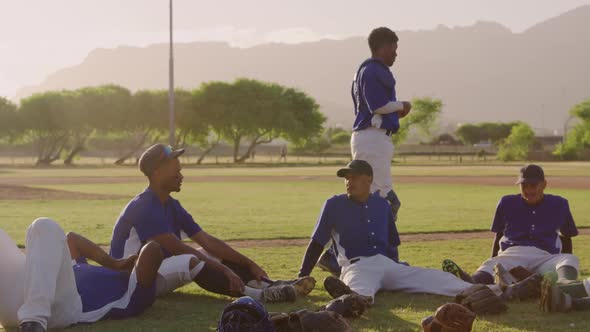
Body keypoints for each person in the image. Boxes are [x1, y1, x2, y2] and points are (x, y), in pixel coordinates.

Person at [298, 160, 538, 310]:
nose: (348, 182)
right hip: (357, 265)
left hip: (388, 264)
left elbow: (392, 242)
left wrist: (397, 265)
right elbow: (317, 242)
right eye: (346, 178)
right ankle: (352, 302)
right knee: (359, 291)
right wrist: (301, 277)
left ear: (368, 179)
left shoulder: (382, 206)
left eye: (352, 177)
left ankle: (507, 291)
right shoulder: (334, 204)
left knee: (438, 279)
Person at [110, 144, 314, 304]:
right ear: (156, 172)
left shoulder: (171, 204)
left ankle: (272, 285)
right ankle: (259, 296)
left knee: (212, 253)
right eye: (176, 171)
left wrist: (248, 263)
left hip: (154, 273)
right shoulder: (144, 205)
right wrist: (225, 271)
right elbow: (177, 247)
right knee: (190, 258)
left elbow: (206, 240)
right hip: (133, 281)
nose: (181, 176)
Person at [317, 27, 413, 274]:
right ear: (383, 46)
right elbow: (377, 105)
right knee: (382, 202)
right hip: (372, 138)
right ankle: (355, 256)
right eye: (394, 48)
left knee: (380, 202)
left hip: (373, 139)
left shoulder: (365, 70)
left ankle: (360, 256)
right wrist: (402, 105)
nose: (396, 53)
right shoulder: (373, 70)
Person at [0, 218, 164, 332]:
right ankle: (32, 319)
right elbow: (72, 239)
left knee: (44, 226)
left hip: (59, 311)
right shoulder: (85, 268)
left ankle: (33, 323)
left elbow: (153, 250)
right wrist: (113, 263)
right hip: (18, 305)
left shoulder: (134, 294)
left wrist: (128, 266)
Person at [442, 164, 580, 286]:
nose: (528, 189)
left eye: (533, 185)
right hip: (513, 254)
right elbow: (499, 235)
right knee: (492, 265)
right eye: (524, 185)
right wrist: (494, 258)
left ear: (544, 184)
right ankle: (470, 282)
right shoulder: (507, 202)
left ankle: (566, 285)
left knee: (570, 259)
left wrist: (562, 259)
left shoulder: (559, 204)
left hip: (545, 257)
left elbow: (566, 236)